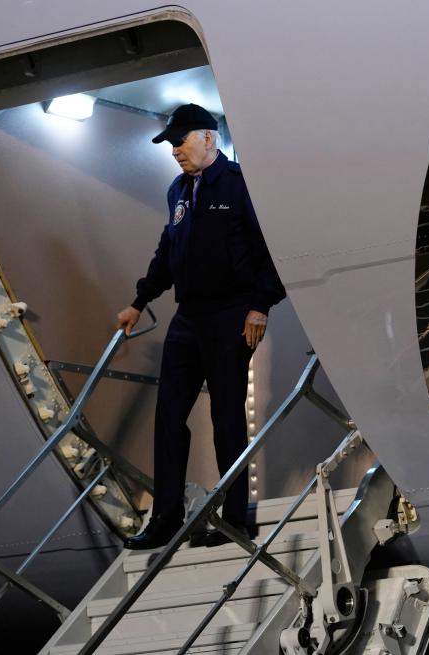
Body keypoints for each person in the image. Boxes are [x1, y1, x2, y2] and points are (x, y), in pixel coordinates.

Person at [116, 103, 286, 549]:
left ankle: (235, 520)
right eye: (171, 144)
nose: (174, 150)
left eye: (180, 141)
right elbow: (167, 254)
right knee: (169, 414)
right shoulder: (178, 192)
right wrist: (139, 301)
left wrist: (260, 305)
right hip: (188, 317)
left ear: (208, 138)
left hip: (232, 314)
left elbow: (271, 246)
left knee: (226, 415)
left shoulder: (240, 183)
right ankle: (166, 518)